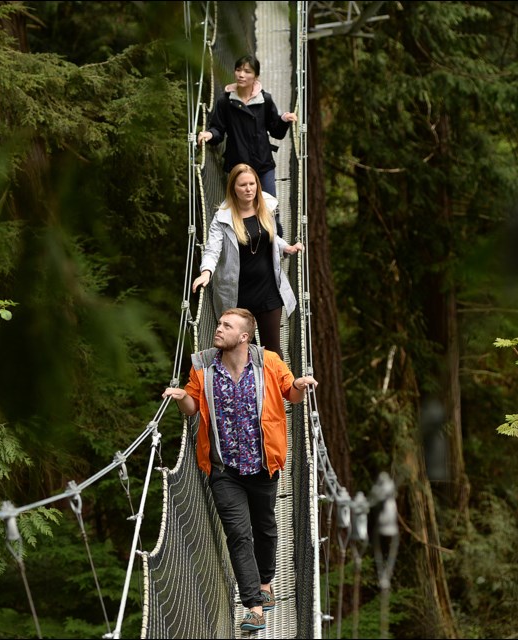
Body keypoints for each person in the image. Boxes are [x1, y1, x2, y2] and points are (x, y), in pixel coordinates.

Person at [162, 307, 318, 632]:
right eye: (219, 323)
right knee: (238, 535)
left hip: (263, 465)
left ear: (244, 336)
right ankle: (254, 606)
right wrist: (180, 397)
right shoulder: (203, 366)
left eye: (226, 325)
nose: (218, 329)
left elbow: (292, 395)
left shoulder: (269, 362)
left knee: (265, 528)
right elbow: (191, 408)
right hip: (223, 469)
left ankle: (265, 582)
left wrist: (301, 385)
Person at [192, 163, 303, 360]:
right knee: (242, 356)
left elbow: (269, 236)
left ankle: (279, 391)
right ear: (233, 188)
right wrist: (206, 272)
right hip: (239, 297)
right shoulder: (223, 218)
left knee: (273, 355)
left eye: (252, 183)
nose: (249, 189)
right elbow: (212, 249)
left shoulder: (266, 206)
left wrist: (286, 247)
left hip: (269, 291)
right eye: (243, 185)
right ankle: (253, 391)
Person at [198, 53, 297, 225]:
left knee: (270, 209)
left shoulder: (264, 100)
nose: (241, 75)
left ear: (256, 76)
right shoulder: (225, 102)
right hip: (237, 166)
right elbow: (218, 129)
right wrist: (209, 134)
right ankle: (247, 247)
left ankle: (277, 247)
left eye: (247, 71)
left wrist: (283, 120)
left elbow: (275, 131)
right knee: (241, 213)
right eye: (238, 70)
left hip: (263, 163)